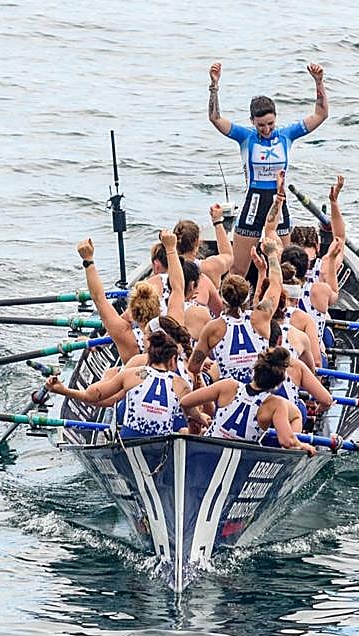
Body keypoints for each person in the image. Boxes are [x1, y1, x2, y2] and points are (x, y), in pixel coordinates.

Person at [208, 61, 329, 275]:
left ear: (276, 119)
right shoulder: (245, 137)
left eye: (270, 124)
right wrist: (214, 87)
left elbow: (320, 115)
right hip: (253, 204)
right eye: (261, 125)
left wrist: (318, 82)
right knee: (238, 270)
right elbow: (215, 118)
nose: (266, 129)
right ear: (252, 121)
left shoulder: (286, 135)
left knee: (286, 269)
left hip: (278, 203)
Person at [188, 187, 285, 383]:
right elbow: (276, 284)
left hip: (226, 393)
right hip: (258, 387)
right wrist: (272, 256)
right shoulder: (261, 316)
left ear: (222, 298)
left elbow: (193, 367)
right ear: (247, 297)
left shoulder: (213, 328)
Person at [46, 331, 194, 439]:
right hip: (163, 446)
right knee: (183, 431)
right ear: (173, 359)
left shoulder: (130, 375)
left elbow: (92, 396)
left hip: (129, 440)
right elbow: (194, 419)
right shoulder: (181, 384)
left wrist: (63, 390)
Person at [180, 347, 316, 456]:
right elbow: (287, 441)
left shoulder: (228, 385)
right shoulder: (276, 405)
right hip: (241, 459)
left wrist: (198, 417)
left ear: (255, 369)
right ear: (278, 383)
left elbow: (185, 403)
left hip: (205, 449)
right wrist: (304, 446)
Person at [77, 230, 184, 364]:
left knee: (110, 375)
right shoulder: (174, 324)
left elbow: (99, 298)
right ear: (159, 307)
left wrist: (88, 261)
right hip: (175, 382)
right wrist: (170, 248)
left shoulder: (126, 336)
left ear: (132, 314)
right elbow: (178, 287)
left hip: (134, 379)